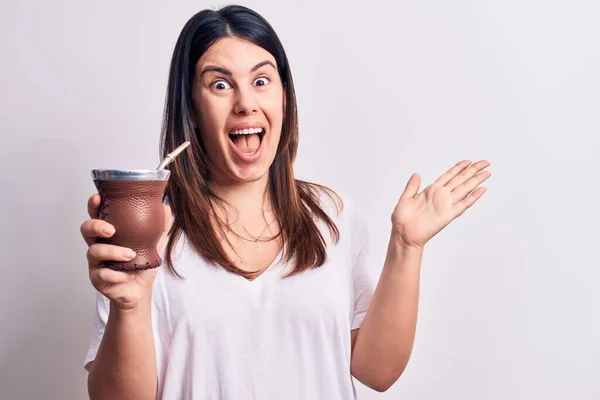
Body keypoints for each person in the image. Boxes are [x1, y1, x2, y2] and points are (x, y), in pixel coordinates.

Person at [80, 4, 491, 400]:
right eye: (219, 84)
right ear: (191, 108)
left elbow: (376, 371)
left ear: (284, 98)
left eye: (261, 81)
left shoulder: (333, 216)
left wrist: (406, 246)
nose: (245, 102)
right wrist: (130, 306)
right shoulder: (146, 230)